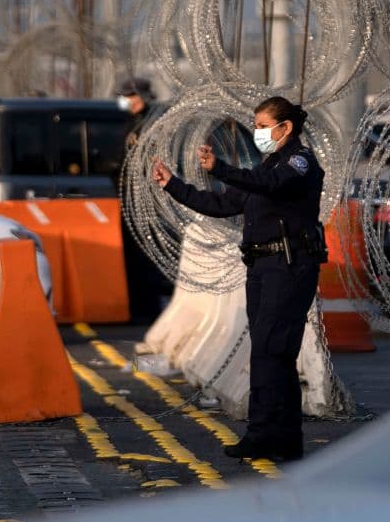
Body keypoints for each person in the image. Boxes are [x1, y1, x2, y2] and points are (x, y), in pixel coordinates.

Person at [152, 96, 326, 461]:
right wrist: (173, 185)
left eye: (263, 126)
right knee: (273, 353)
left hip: (290, 265)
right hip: (262, 268)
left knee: (271, 350)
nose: (258, 132)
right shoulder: (264, 169)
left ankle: (264, 434)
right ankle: (285, 438)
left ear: (286, 128)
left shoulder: (299, 162)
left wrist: (221, 168)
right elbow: (219, 204)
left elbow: (275, 184)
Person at [114, 77, 170, 320]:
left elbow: (153, 159)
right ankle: (138, 306)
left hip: (144, 196)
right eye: (126, 98)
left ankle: (147, 309)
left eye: (133, 97)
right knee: (133, 258)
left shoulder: (153, 122)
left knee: (144, 254)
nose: (129, 102)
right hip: (130, 195)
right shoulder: (134, 121)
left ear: (145, 96)